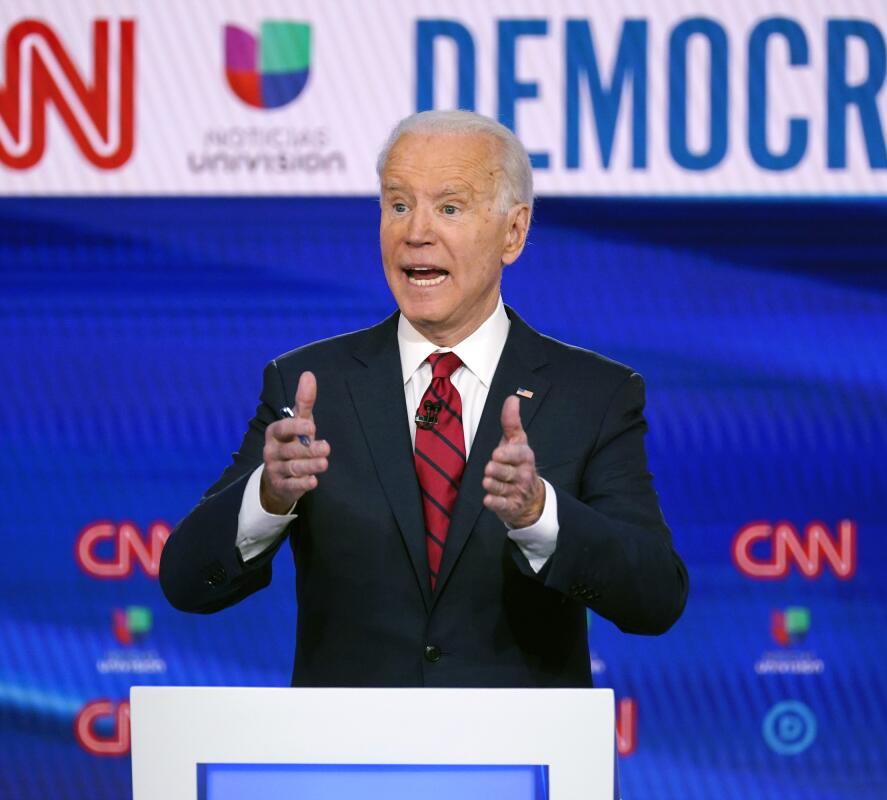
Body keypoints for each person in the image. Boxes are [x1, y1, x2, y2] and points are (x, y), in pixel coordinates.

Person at [159, 110, 689, 688]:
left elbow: (655, 599)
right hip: (352, 767)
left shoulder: (594, 393)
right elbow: (185, 581)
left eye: (450, 207)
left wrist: (540, 514)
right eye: (399, 205)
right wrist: (267, 494)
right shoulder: (309, 387)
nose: (416, 233)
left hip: (522, 766)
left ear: (513, 233)